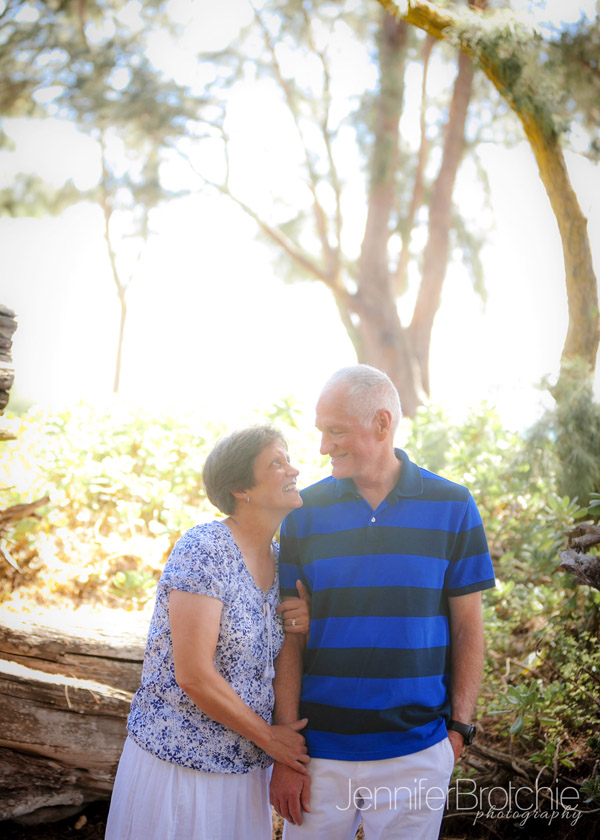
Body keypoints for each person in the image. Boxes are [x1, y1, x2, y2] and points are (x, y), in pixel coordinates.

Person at [270, 365, 495, 840]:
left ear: (382, 423)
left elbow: (468, 629)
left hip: (416, 751)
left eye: (336, 431)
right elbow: (288, 639)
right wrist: (286, 749)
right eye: (321, 432)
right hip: (319, 752)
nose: (323, 446)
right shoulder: (303, 515)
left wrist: (459, 730)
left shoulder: (453, 505)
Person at [106, 425, 312, 840]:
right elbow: (194, 675)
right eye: (277, 462)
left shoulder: (282, 561)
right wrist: (271, 739)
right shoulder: (204, 548)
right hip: (178, 770)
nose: (293, 468)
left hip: (242, 774)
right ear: (241, 488)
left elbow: (274, 660)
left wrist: (301, 625)